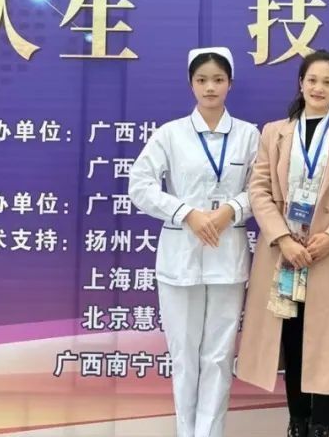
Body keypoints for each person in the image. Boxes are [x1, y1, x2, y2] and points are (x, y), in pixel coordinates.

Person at [235, 50, 329, 437]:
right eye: (312, 80)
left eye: (327, 82)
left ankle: (320, 427)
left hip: (328, 255)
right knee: (292, 336)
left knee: (327, 340)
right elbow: (259, 190)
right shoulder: (275, 132)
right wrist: (283, 238)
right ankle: (297, 423)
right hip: (285, 255)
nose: (318, 88)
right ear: (301, 84)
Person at [126, 47, 260, 437]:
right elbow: (140, 186)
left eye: (218, 79)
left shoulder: (248, 135)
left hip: (227, 256)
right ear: (191, 84)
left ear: (230, 83)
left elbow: (263, 190)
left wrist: (231, 209)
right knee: (184, 356)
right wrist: (186, 212)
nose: (210, 87)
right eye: (202, 80)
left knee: (218, 356)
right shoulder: (170, 134)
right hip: (180, 259)